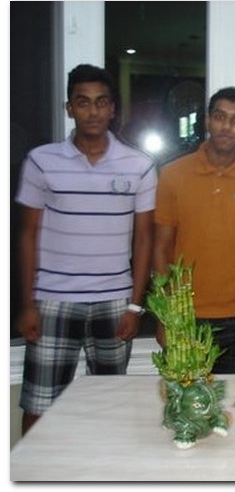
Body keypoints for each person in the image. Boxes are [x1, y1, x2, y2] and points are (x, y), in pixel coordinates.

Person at [15, 64, 157, 434]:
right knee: (39, 404)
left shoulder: (139, 166)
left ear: (112, 108)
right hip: (53, 301)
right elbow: (27, 234)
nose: (93, 111)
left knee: (110, 404)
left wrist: (134, 306)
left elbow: (144, 239)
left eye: (101, 102)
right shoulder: (41, 161)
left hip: (114, 303)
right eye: (83, 102)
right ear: (69, 108)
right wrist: (26, 304)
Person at [153, 87, 235, 374]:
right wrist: (165, 315)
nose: (226, 126)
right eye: (219, 117)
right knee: (185, 396)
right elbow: (162, 247)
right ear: (207, 121)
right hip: (184, 314)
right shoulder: (172, 174)